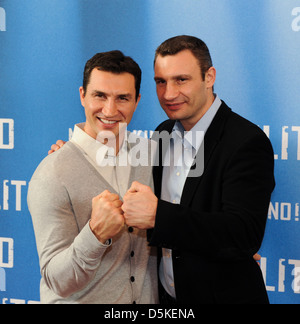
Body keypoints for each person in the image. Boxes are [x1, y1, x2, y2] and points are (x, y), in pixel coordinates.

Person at [121, 36, 275, 304]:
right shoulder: (163, 134)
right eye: (161, 81)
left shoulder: (246, 141)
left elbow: (243, 234)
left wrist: (159, 215)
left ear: (209, 77)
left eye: (181, 79)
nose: (168, 94)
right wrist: (71, 153)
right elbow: (118, 166)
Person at [27, 51, 158, 304]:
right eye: (100, 95)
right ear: (82, 96)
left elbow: (191, 218)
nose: (110, 110)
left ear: (137, 101)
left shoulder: (153, 156)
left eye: (123, 98)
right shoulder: (51, 174)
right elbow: (58, 281)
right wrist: (95, 234)